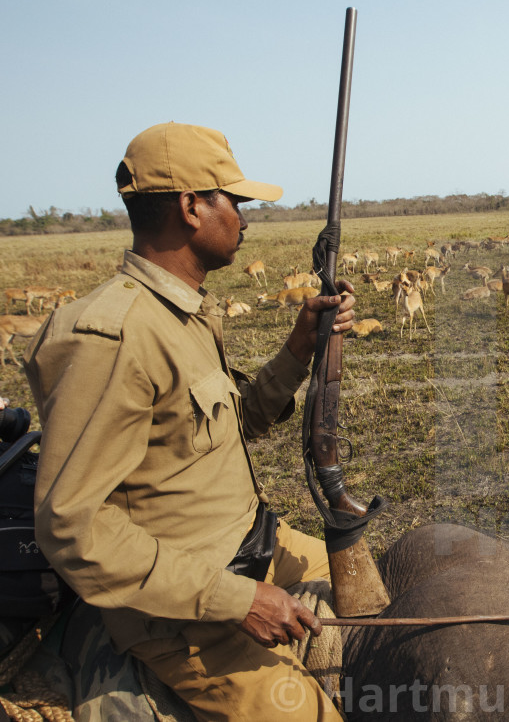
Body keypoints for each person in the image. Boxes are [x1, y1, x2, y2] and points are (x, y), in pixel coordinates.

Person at [24, 122, 350, 721]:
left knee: (375, 594)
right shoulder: (111, 336)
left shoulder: (187, 313)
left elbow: (227, 426)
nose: (246, 220)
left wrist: (301, 346)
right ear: (192, 206)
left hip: (256, 543)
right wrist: (238, 599)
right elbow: (72, 526)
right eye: (238, 201)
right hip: (185, 606)